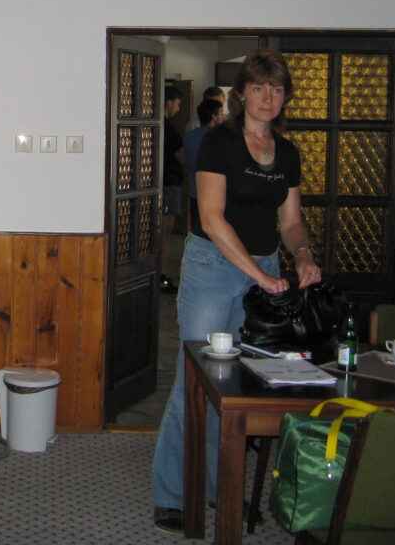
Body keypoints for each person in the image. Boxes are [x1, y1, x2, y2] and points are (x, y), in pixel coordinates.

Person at [151, 50, 322, 534]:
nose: (268, 97)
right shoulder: (219, 143)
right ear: (242, 93)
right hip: (213, 268)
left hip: (264, 267)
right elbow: (211, 219)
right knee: (197, 379)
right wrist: (261, 278)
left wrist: (303, 254)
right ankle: (172, 494)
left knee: (240, 388)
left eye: (277, 89)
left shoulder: (287, 153)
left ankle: (218, 489)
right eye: (259, 87)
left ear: (285, 96)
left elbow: (290, 222)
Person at [159, 86, 184, 291]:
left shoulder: (165, 124)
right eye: (177, 103)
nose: (178, 108)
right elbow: (179, 153)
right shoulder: (166, 126)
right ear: (169, 102)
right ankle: (160, 273)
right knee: (165, 230)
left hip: (167, 180)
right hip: (167, 182)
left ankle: (159, 272)